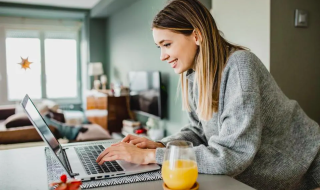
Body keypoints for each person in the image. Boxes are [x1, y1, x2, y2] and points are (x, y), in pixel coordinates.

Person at [96, 0, 320, 189]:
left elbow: (233, 155)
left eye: (167, 44)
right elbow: (198, 132)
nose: (163, 56)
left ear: (196, 35)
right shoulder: (195, 75)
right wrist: (160, 146)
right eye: (159, 47)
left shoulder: (240, 67)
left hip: (307, 170)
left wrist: (151, 157)